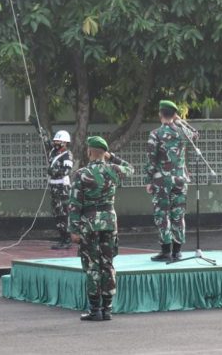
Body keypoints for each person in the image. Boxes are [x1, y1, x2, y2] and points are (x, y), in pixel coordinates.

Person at [69, 136, 133, 321]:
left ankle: (95, 309)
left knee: (92, 266)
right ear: (103, 152)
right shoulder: (113, 170)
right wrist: (112, 157)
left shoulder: (82, 174)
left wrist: (73, 230)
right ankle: (107, 309)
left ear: (89, 152)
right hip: (109, 222)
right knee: (108, 264)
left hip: (89, 224)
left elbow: (75, 204)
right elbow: (131, 169)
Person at [144, 100, 199, 262]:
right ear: (174, 114)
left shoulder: (156, 134)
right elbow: (196, 134)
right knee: (178, 214)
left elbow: (151, 160)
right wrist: (181, 121)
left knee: (162, 214)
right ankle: (177, 251)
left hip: (162, 180)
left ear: (160, 114)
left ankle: (166, 251)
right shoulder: (182, 133)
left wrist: (148, 180)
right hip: (181, 179)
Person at [44, 129, 74, 249]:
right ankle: (62, 238)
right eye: (55, 140)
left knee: (64, 214)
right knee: (56, 214)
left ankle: (67, 239)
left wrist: (53, 171)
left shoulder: (67, 155)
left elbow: (66, 171)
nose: (55, 143)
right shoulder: (54, 152)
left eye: (58, 141)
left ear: (65, 142)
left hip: (63, 188)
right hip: (54, 188)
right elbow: (46, 143)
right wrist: (41, 132)